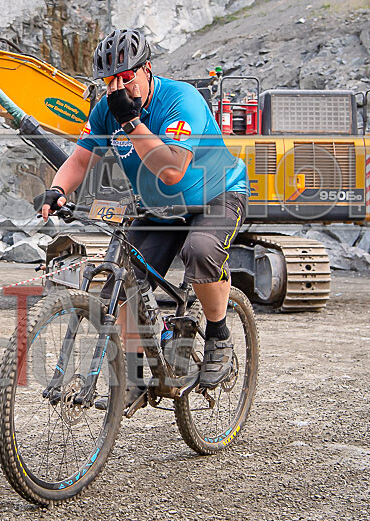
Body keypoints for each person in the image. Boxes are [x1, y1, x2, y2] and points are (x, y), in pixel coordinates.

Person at [34, 28, 249, 406]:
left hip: (215, 195)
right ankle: (135, 377)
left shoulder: (181, 100)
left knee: (200, 252)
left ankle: (219, 336)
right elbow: (80, 160)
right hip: (159, 208)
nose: (117, 88)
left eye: (125, 77)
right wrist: (58, 189)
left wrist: (131, 122)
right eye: (109, 81)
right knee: (122, 287)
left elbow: (172, 171)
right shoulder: (107, 110)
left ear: (147, 70)